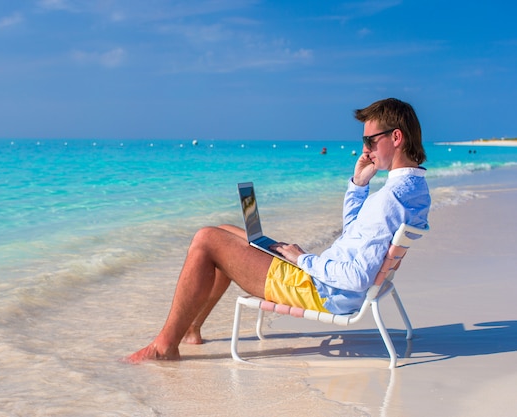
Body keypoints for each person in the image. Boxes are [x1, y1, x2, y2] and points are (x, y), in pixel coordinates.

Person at [125, 98, 430, 364]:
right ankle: (191, 329)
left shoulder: (389, 199)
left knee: (207, 239)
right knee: (225, 231)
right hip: (328, 282)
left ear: (396, 137)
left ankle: (165, 345)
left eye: (370, 141)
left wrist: (303, 260)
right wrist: (359, 185)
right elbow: (354, 236)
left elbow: (357, 277)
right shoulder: (412, 187)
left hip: (322, 290)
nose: (364, 149)